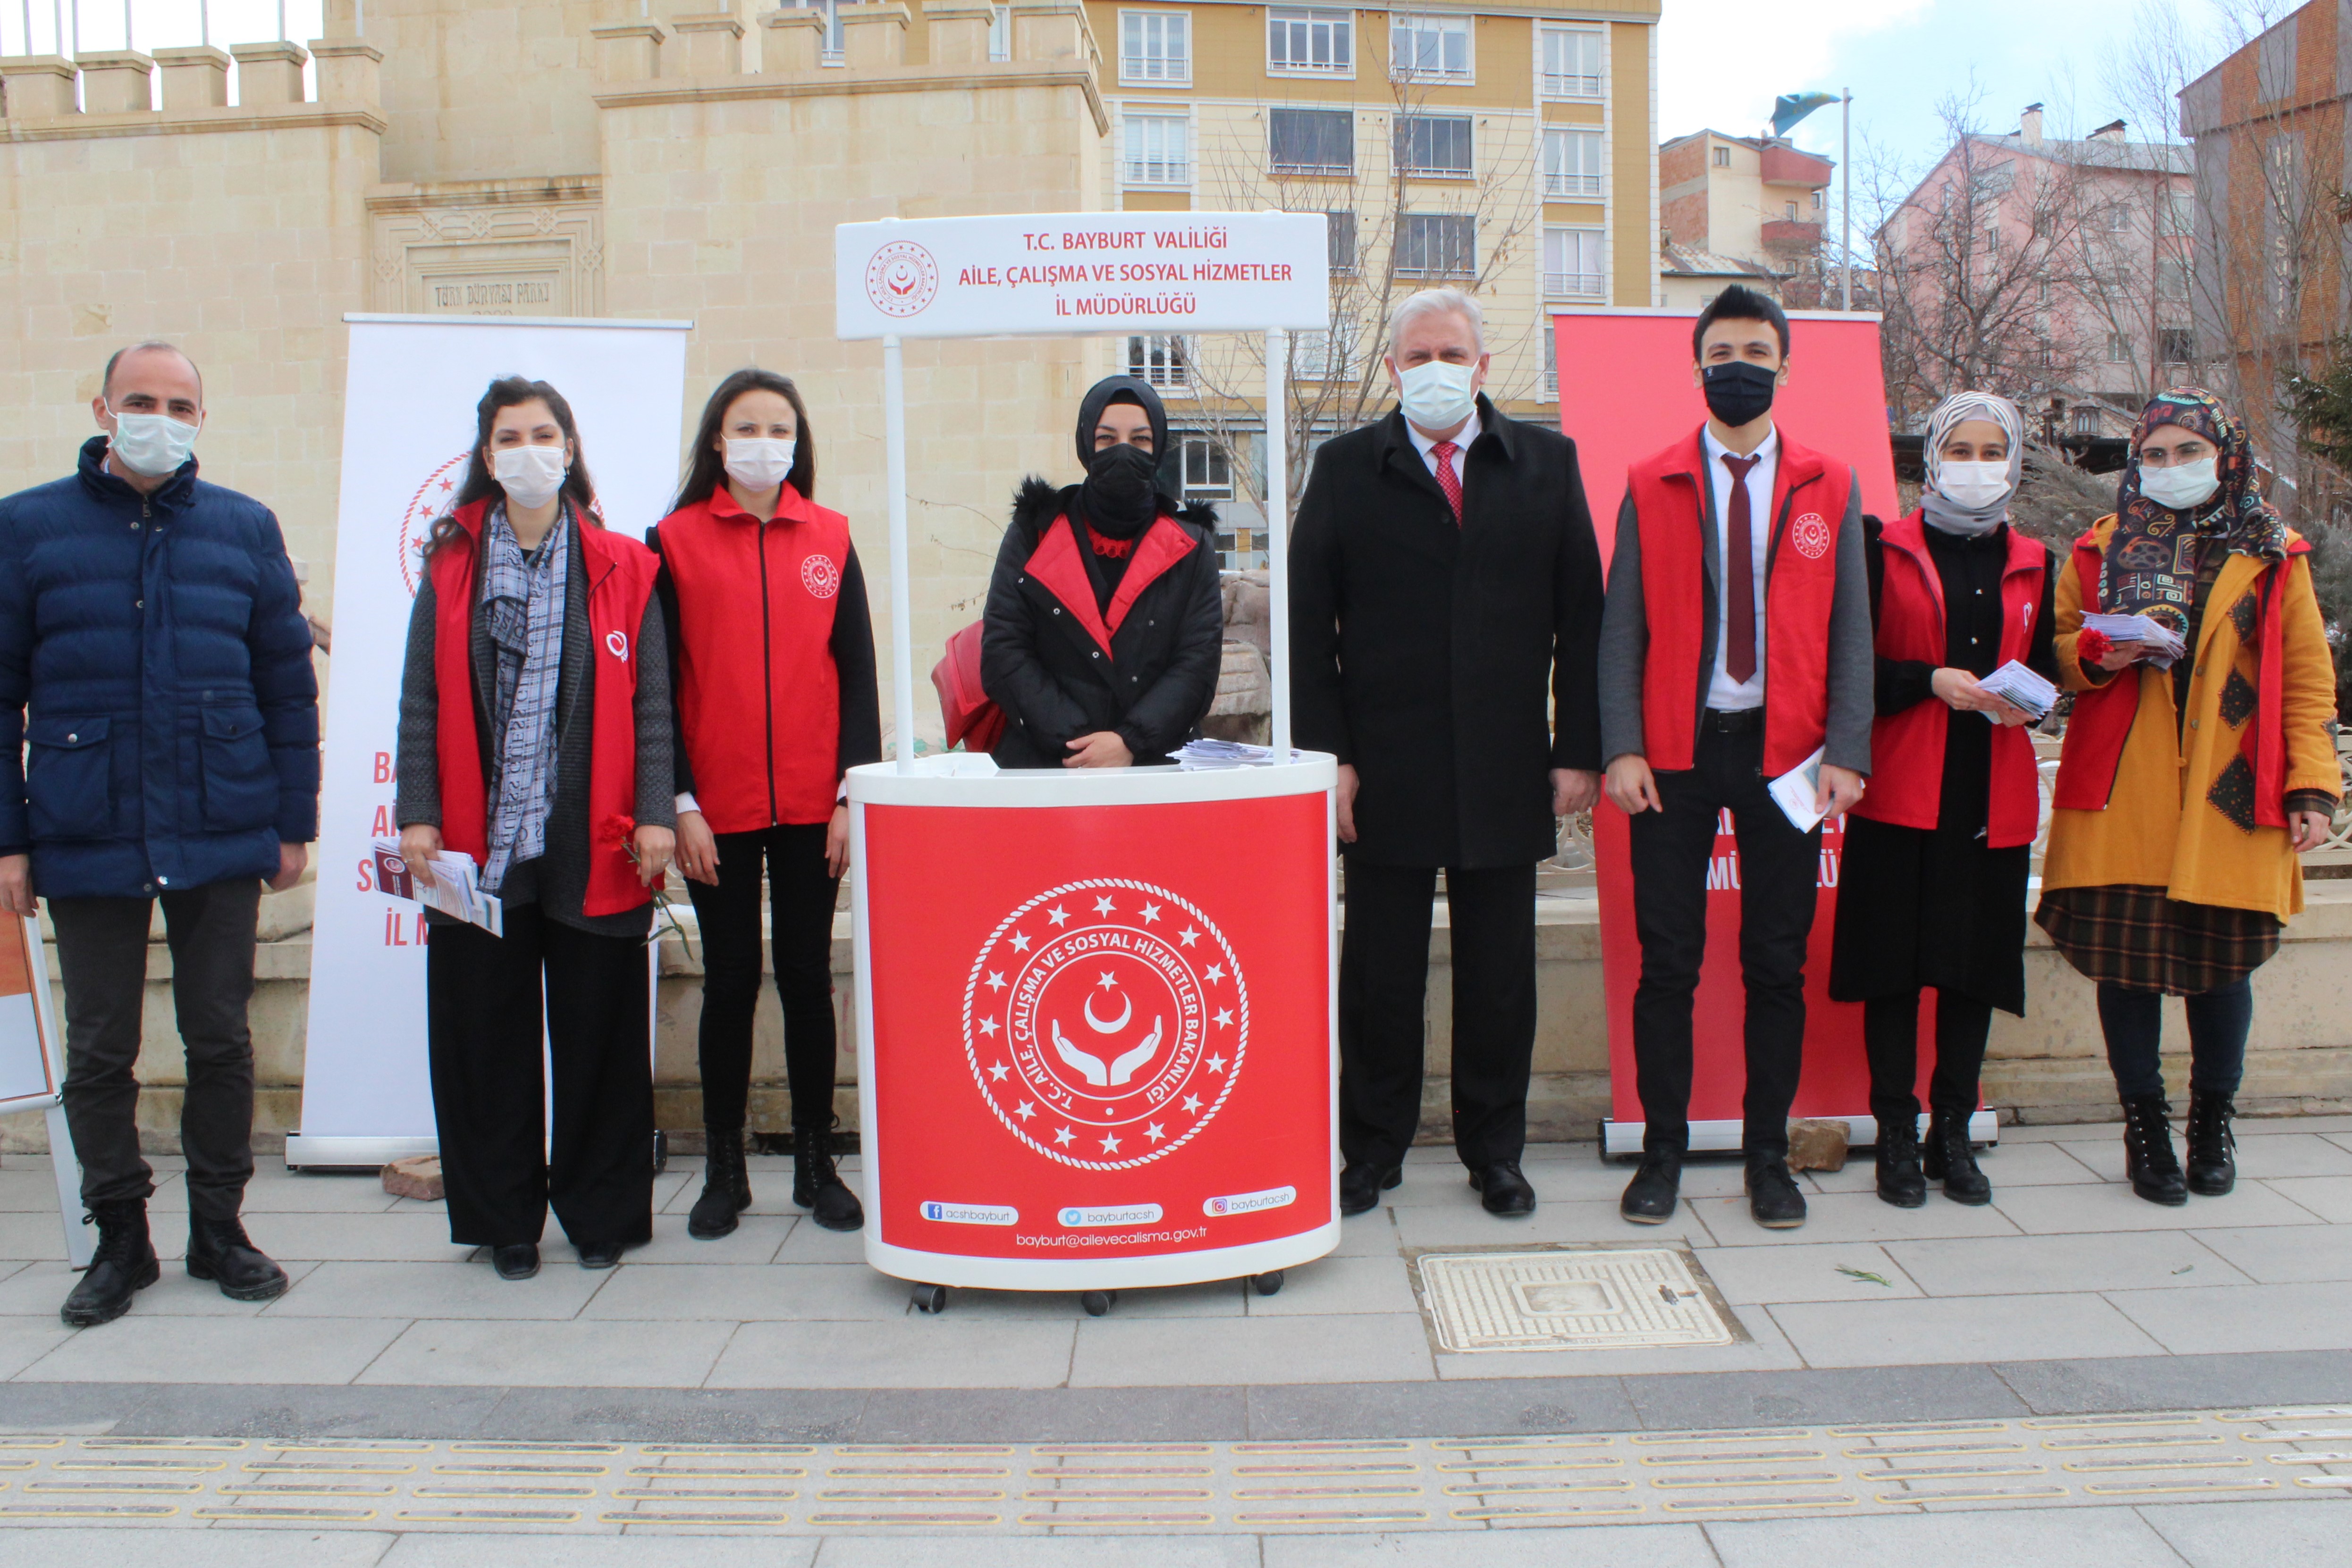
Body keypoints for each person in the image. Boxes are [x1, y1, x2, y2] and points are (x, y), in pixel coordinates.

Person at [0, 341, 319, 1327]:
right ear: (101, 406)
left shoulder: (245, 527)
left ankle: (220, 1227)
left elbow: (284, 686)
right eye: (142, 399)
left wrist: (293, 823)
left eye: (181, 402)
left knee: (219, 1036)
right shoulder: (27, 527)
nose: (160, 416)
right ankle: (120, 1237)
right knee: (100, 1048)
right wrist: (9, 840)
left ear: (202, 418)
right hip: (85, 823)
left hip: (222, 819)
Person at [1291, 287, 1604, 1220]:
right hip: (1382, 769)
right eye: (1417, 354)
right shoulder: (1347, 467)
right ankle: (1372, 1146)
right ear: (1391, 368)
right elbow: (1310, 627)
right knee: (1380, 975)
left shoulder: (1545, 462)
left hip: (1507, 764)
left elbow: (1581, 618)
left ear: (1482, 365)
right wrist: (1328, 757)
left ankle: (1493, 1150)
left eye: (1452, 353)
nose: (1436, 369)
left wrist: (1576, 747)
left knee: (1499, 976)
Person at [1598, 285, 1872, 1232]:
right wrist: (1621, 744)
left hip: (1787, 756)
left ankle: (1767, 1157)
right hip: (1673, 753)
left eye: (1757, 347)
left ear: (1786, 365)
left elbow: (1850, 628)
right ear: (1697, 363)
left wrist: (1845, 748)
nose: (1738, 363)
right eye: (1722, 348)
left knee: (1774, 963)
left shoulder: (1829, 483)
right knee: (1666, 961)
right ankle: (1663, 1154)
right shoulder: (1649, 478)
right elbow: (1619, 626)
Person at [395, 376, 675, 1279]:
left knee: (597, 1030)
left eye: (544, 433)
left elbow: (656, 707)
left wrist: (660, 812)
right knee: (485, 1032)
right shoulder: (449, 567)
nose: (528, 450)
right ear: (487, 456)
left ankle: (599, 1212)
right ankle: (504, 1219)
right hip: (478, 839)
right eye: (510, 436)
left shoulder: (625, 565)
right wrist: (418, 813)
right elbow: (421, 700)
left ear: (569, 447)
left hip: (594, 832)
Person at [2037, 388, 2337, 1205]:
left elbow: (2307, 682)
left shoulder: (2273, 552)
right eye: (2155, 455)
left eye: (2185, 452)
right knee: (2123, 965)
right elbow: (2058, 651)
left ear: (2225, 454)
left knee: (2220, 962)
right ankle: (2144, 1129)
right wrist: (2101, 647)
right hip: (2122, 782)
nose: (2169, 468)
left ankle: (2211, 1121)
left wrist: (2312, 784)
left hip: (2228, 787)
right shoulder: (2098, 549)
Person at [651, 369, 879, 1239]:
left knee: (806, 980)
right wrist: (681, 804)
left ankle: (818, 1166)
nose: (762, 441)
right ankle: (724, 1169)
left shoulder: (829, 536)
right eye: (745, 426)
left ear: (798, 440)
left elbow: (855, 673)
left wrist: (848, 795)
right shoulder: (670, 542)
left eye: (778, 427)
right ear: (717, 438)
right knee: (731, 981)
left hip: (812, 807)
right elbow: (659, 688)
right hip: (716, 810)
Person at [1829, 392, 2053, 1208]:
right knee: (1891, 969)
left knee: (1970, 973)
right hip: (1899, 790)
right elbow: (1849, 672)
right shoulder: (1879, 546)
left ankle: (1950, 1132)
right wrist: (1927, 681)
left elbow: (2048, 666)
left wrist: (2030, 696)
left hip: (1987, 794)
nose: (1975, 463)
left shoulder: (2032, 556)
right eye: (1959, 448)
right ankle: (1894, 1131)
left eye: (1991, 448)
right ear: (1930, 457)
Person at [979, 375, 1224, 770]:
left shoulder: (1191, 546)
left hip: (1155, 770)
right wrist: (1079, 744)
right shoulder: (1034, 532)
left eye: (1140, 439)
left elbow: (1197, 663)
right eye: (1107, 439)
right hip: (1045, 768)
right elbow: (1004, 648)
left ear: (1158, 445)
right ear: (1086, 444)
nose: (1123, 451)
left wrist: (1129, 742)